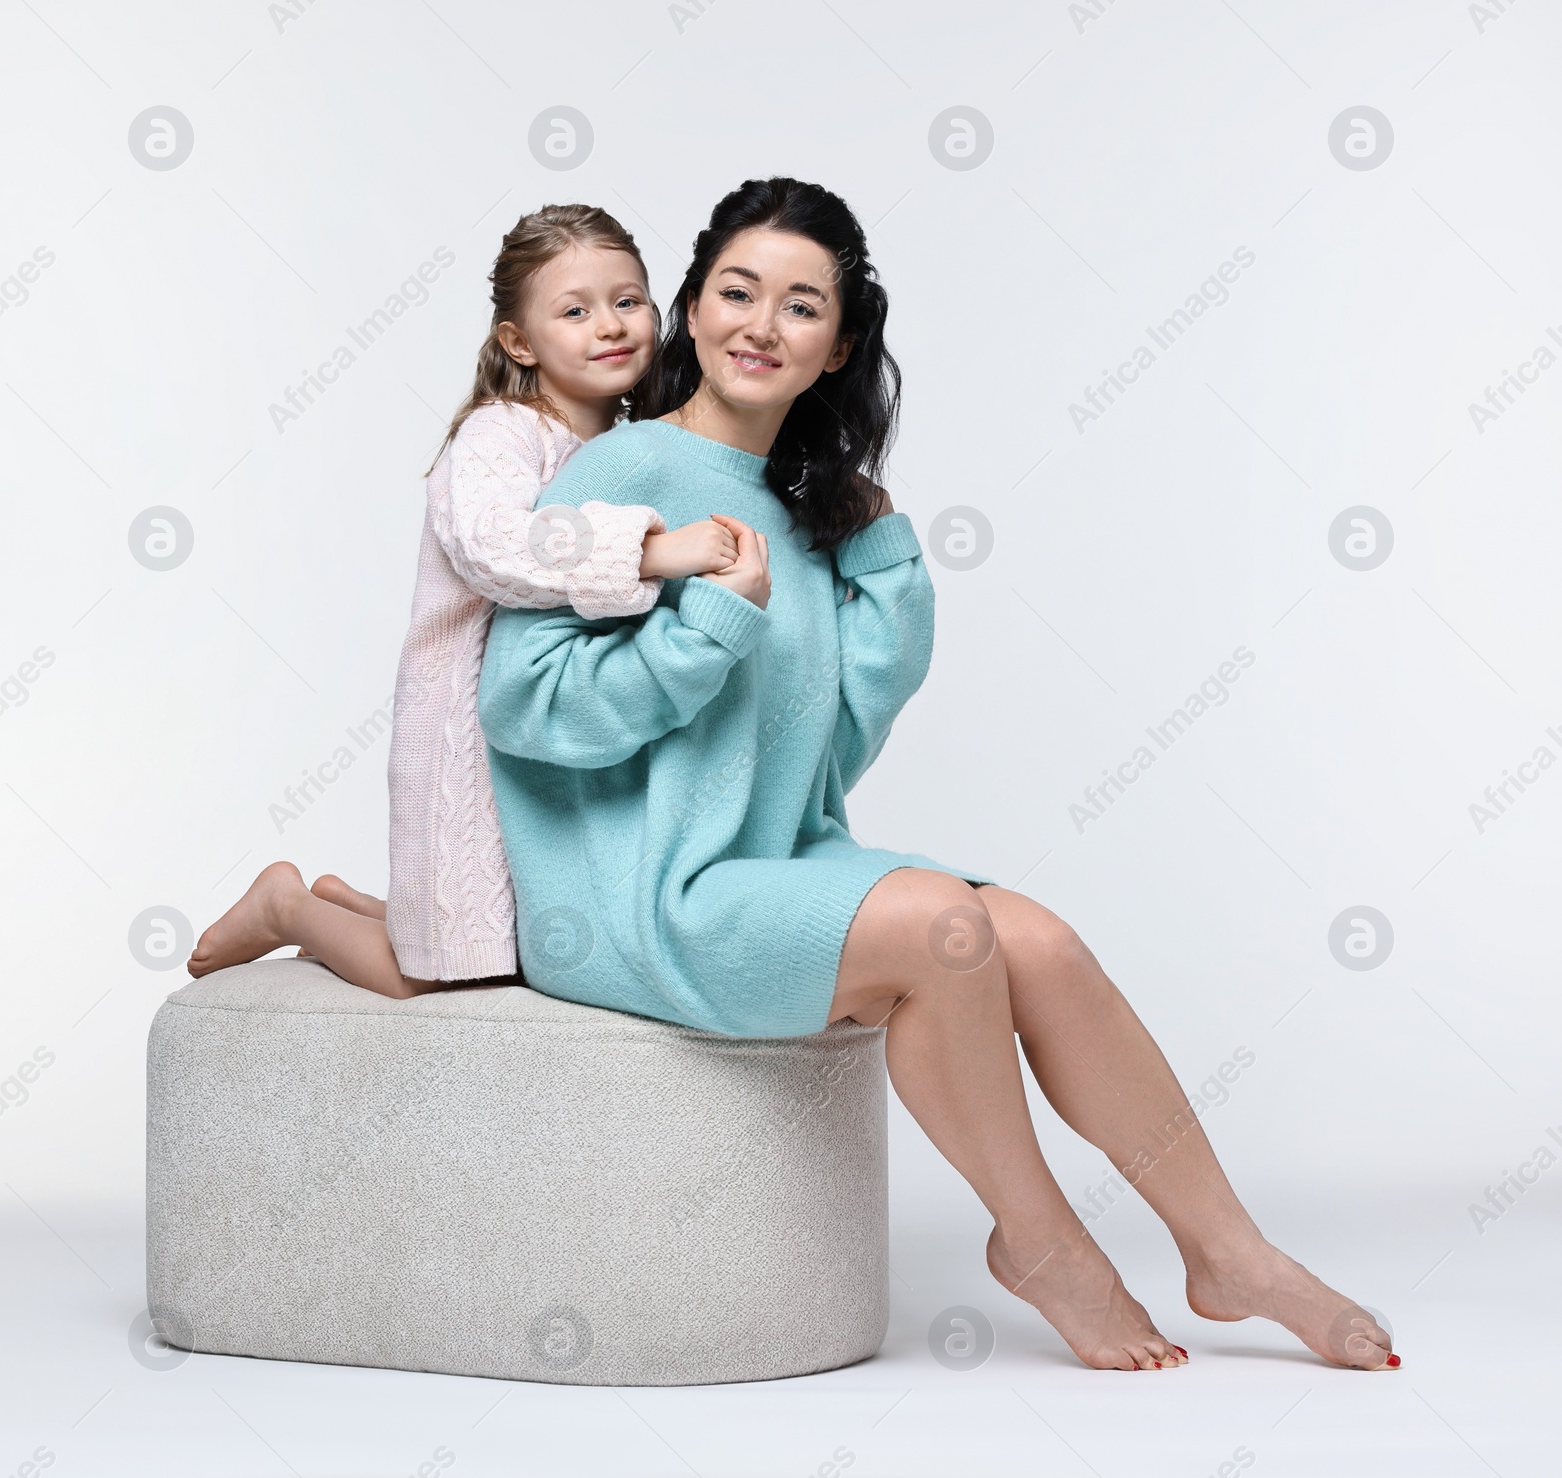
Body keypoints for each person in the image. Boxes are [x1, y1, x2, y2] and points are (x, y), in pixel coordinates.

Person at [477, 177, 1400, 1374]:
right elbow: (520, 706)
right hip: (637, 893)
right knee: (948, 932)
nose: (762, 323)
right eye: (737, 291)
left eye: (800, 306)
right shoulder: (625, 471)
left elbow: (827, 748)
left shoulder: (807, 506)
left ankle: (1233, 1252)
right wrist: (702, 629)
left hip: (773, 863)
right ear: (692, 311)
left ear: (838, 344)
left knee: (1043, 944)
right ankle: (1045, 1243)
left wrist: (882, 557)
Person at [187, 204, 739, 995]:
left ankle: (357, 905)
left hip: (554, 732)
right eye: (575, 311)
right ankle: (289, 908)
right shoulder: (501, 434)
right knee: (442, 976)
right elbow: (494, 548)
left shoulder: (629, 443)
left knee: (523, 946)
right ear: (520, 341)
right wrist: (652, 550)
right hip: (463, 740)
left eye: (628, 301)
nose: (610, 326)